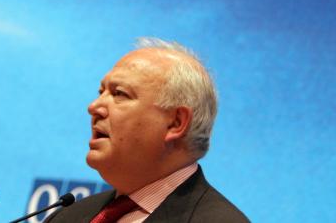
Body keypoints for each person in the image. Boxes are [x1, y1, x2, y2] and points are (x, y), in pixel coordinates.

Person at [45, 38, 249, 222]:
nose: (94, 107)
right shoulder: (65, 217)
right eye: (101, 92)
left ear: (176, 123)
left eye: (119, 94)